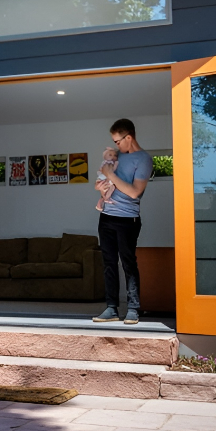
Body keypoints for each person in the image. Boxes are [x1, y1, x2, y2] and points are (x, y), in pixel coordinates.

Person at [92, 119, 153, 326]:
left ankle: (133, 309)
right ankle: (111, 308)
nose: (116, 145)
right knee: (108, 263)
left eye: (118, 141)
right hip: (106, 217)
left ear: (129, 137)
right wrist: (101, 185)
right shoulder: (115, 157)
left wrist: (111, 175)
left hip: (128, 219)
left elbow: (135, 192)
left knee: (128, 263)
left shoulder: (143, 159)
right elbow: (103, 180)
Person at [95, 146, 118, 212]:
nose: (113, 157)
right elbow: (110, 171)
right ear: (105, 156)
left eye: (115, 155)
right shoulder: (109, 163)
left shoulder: (105, 163)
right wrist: (116, 164)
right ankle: (106, 199)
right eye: (110, 155)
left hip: (103, 178)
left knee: (106, 190)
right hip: (105, 178)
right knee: (111, 187)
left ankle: (102, 201)